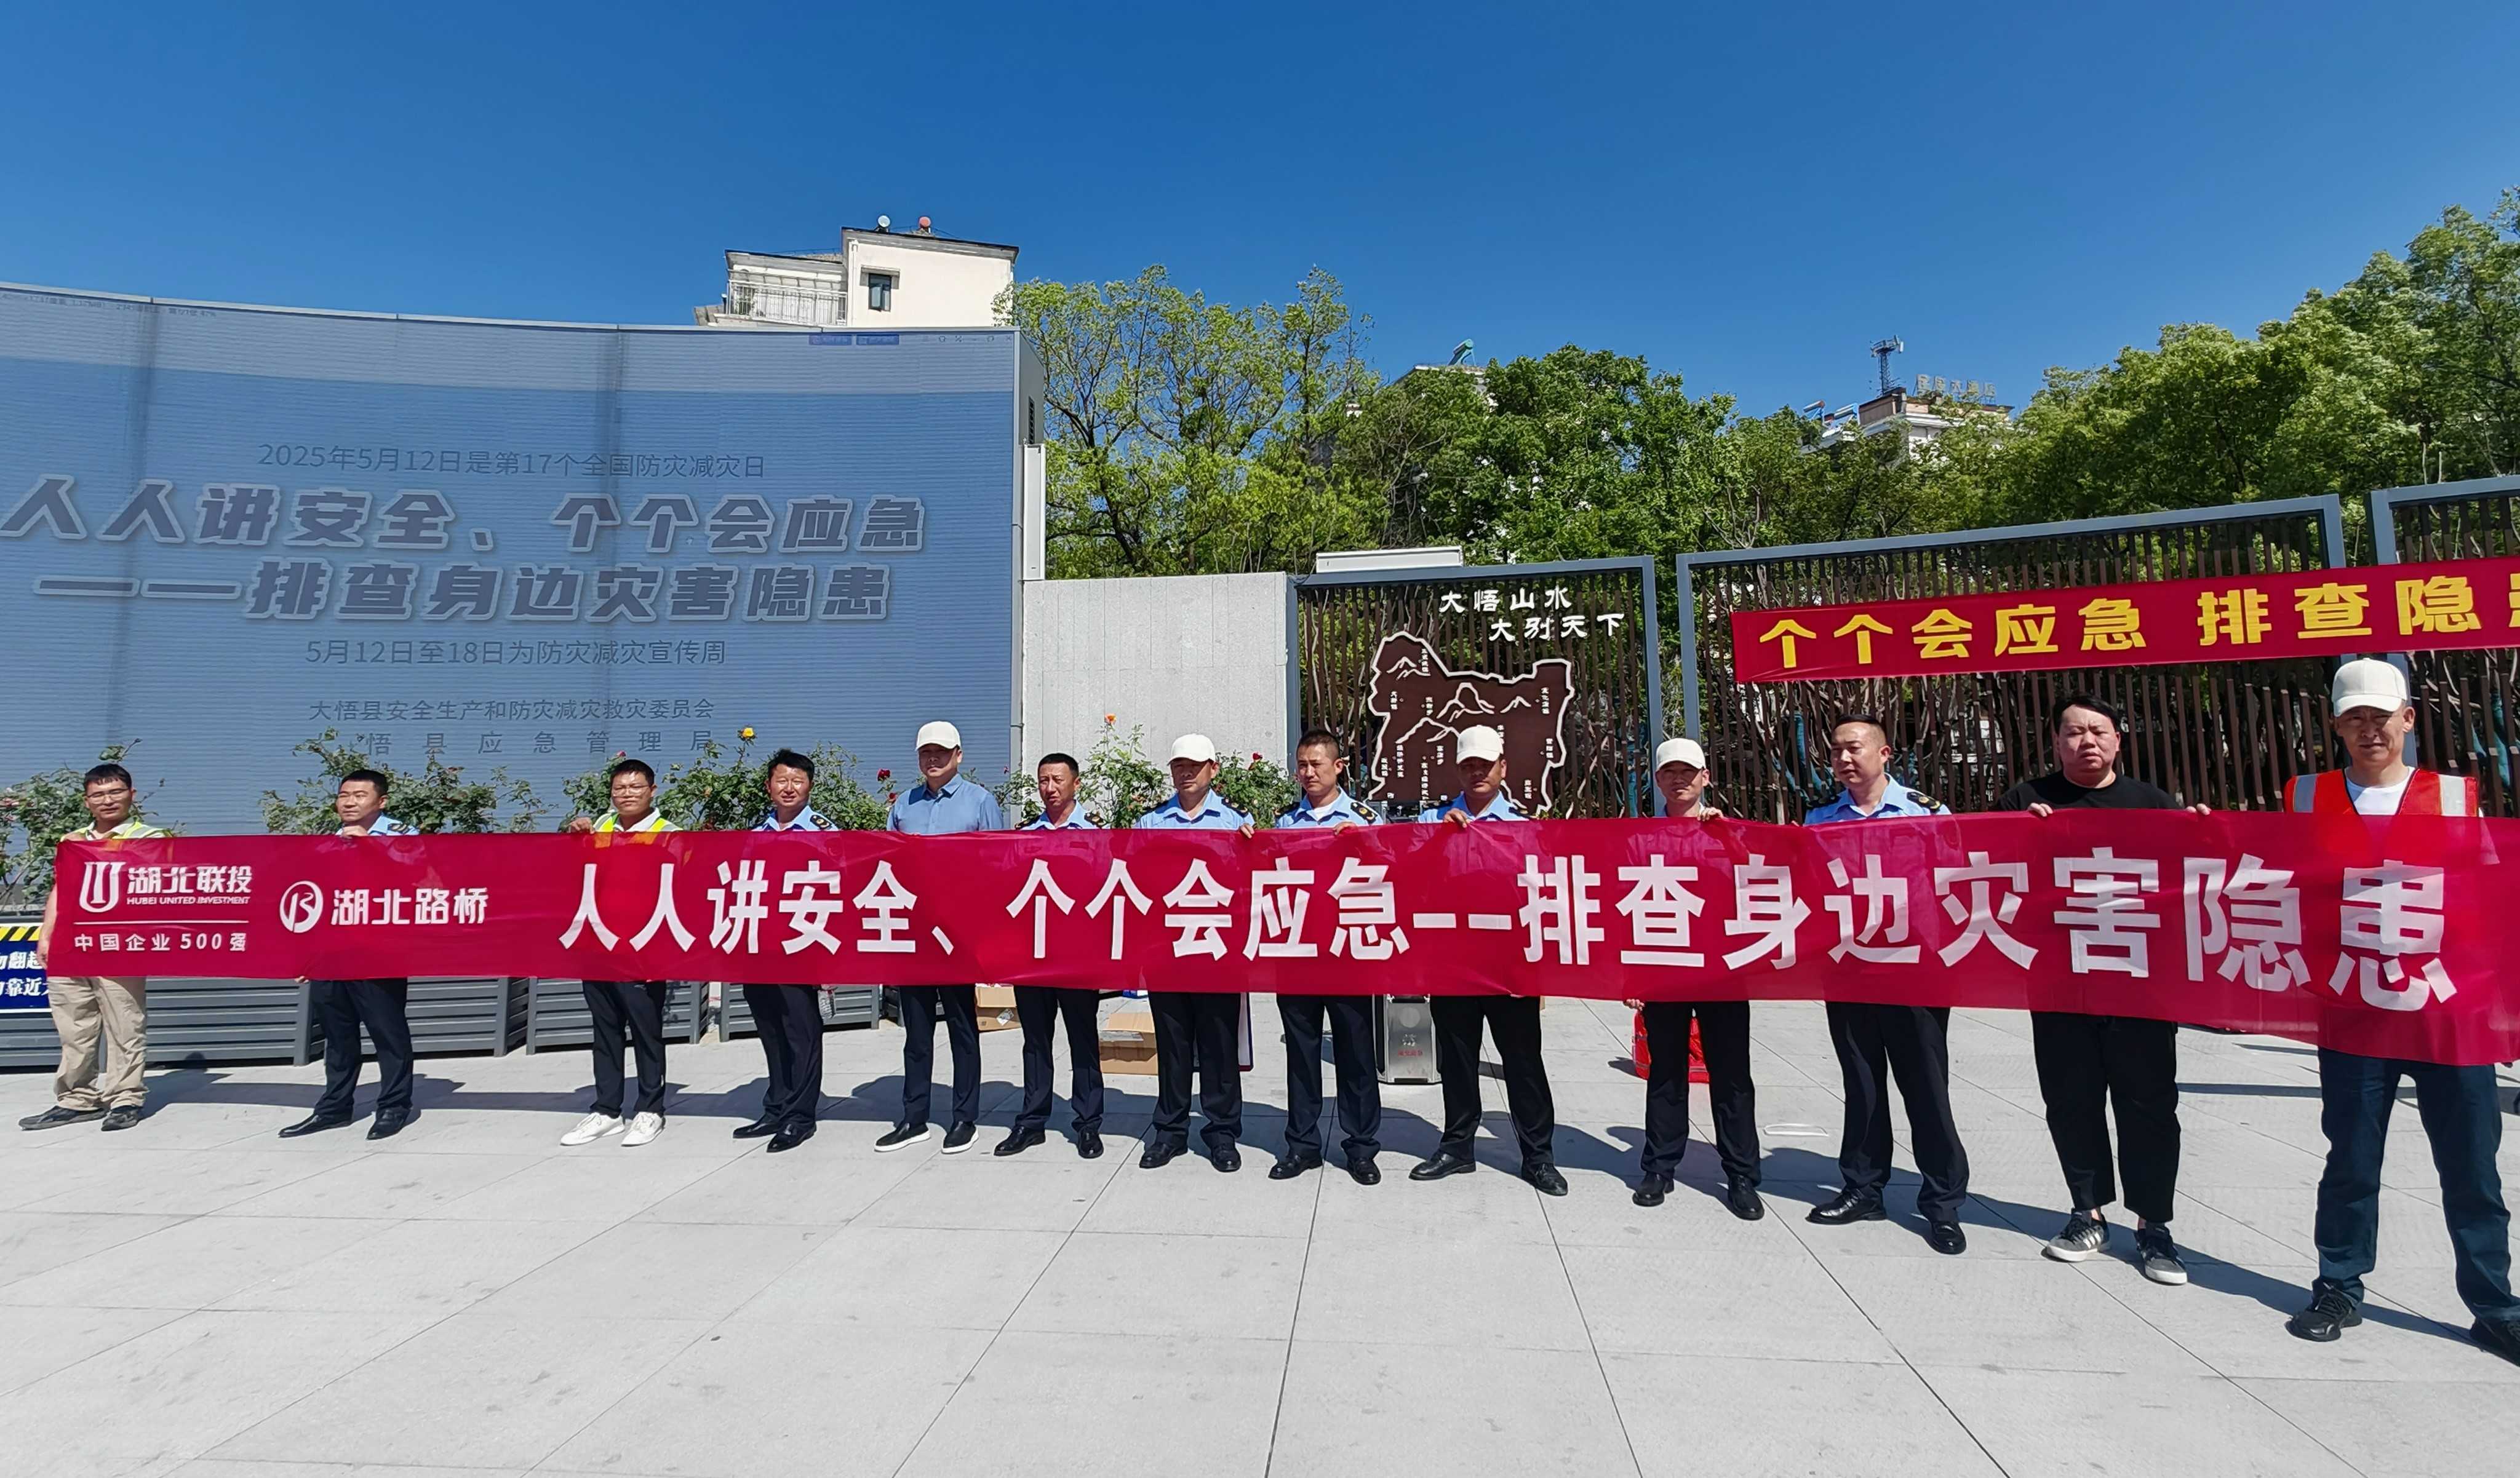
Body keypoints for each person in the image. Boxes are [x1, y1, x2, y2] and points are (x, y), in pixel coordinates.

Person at [2280, 658, 2519, 1365]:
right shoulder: (2305, 796)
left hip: (2448, 1011)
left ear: (2408, 720)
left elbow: (2488, 900)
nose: (2369, 731)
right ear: (2335, 725)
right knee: (2351, 1159)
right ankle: (2338, 1285)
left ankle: (2494, 1305)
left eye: (2380, 717)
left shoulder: (2452, 797)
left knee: (2471, 1166)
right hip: (2355, 1008)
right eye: (2354, 718)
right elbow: (2276, 886)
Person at [1999, 693, 2204, 1286]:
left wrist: (2205, 830)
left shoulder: (2153, 804)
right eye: (2073, 732)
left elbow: (2193, 879)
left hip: (2139, 983)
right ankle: (2086, 1212)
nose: (2086, 740)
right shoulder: (2025, 800)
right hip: (2060, 981)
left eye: (2098, 730)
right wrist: (2019, 835)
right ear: (2055, 743)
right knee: (2071, 1099)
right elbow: (1988, 870)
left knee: (2149, 1105)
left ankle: (2153, 1225)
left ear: (2118, 740)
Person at [1803, 713, 1971, 1254]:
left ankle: (1942, 1203)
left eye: (1854, 748)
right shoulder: (1820, 818)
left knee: (1926, 1087)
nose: (1844, 758)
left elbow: (1959, 883)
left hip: (1914, 972)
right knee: (1862, 1084)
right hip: (1850, 970)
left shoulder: (1926, 813)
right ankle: (1863, 1187)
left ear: (1885, 754)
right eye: (1836, 750)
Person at [1411, 725, 1565, 1196]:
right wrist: (1439, 839)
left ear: (1503, 767)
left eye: (1485, 763)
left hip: (1508, 966)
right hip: (1453, 963)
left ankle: (1538, 1156)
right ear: (1458, 769)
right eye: (1469, 764)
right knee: (1457, 1059)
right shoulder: (1433, 819)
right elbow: (1408, 875)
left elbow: (1544, 891)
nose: (1477, 771)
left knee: (1523, 1061)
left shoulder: (1524, 826)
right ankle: (1457, 1146)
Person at [1625, 737, 1762, 1218]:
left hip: (1724, 971)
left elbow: (1758, 882)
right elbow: (1627, 907)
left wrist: (1728, 837)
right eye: (1670, 772)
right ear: (1657, 780)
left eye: (1688, 771)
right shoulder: (1641, 838)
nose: (1679, 779)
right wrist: (1632, 977)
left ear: (1705, 776)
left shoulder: (1727, 829)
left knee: (1731, 1073)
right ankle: (1659, 1166)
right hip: (1665, 967)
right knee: (1666, 1070)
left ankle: (1741, 1174)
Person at [1259, 728, 1384, 1186]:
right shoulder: (1285, 824)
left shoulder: (1366, 819)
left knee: (1355, 1053)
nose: (1309, 773)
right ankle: (1302, 1144)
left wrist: (1365, 843)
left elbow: (1393, 871)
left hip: (1349, 953)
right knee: (1301, 1053)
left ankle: (1361, 1147)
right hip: (1298, 954)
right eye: (1302, 765)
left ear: (1339, 766)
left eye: (1317, 764)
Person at [20, 763, 166, 1134]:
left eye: (115, 792)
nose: (108, 800)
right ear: (87, 801)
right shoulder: (72, 841)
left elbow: (161, 890)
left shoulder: (151, 838)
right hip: (73, 945)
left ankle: (125, 1098)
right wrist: (47, 935)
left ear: (131, 795)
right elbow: (61, 889)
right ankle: (76, 1100)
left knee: (124, 1024)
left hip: (120, 946)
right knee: (74, 1027)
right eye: (98, 795)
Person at [879, 720, 1003, 1154]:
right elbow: (888, 865)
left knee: (962, 1029)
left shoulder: (980, 801)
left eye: (942, 752)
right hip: (914, 936)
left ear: (958, 756)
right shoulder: (904, 805)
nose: (933, 760)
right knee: (916, 1032)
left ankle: (964, 1117)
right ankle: (914, 1117)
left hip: (958, 935)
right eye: (926, 753)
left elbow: (996, 866)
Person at [279, 770, 420, 1140]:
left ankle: (393, 1106)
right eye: (344, 795)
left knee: (387, 1032)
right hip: (332, 953)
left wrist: (369, 847)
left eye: (360, 795)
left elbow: (415, 880)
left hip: (379, 952)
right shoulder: (328, 842)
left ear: (381, 802)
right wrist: (307, 955)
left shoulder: (403, 836)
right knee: (338, 1037)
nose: (350, 802)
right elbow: (315, 900)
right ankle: (334, 1108)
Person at [1134, 734, 1250, 1172]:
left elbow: (1249, 885)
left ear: (1213, 769)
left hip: (1217, 950)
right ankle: (1170, 1131)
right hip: (1167, 950)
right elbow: (1137, 882)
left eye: (1195, 766)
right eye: (1179, 765)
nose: (1186, 773)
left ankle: (1222, 1132)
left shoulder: (1236, 821)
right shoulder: (1151, 822)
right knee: (1173, 1045)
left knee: (1219, 1045)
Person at [557, 759, 678, 1149]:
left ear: (652, 791)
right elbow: (574, 873)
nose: (627, 794)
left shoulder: (670, 834)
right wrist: (574, 837)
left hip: (644, 949)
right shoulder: (599, 829)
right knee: (605, 1032)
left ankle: (650, 1109)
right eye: (620, 788)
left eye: (636, 787)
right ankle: (607, 1110)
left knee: (646, 1033)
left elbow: (683, 890)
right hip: (599, 946)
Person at [999, 751, 1106, 1160]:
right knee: (1035, 1042)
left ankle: (1088, 1123)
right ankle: (1032, 1121)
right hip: (1034, 957)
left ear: (1076, 783)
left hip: (1078, 956)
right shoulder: (1025, 836)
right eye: (1044, 780)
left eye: (1058, 780)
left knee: (1083, 1040)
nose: (1050, 788)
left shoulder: (1096, 835)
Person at [739, 749, 829, 1154]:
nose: (789, 788)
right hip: (760, 946)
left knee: (801, 1032)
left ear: (809, 786)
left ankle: (800, 1116)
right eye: (782, 780)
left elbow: (838, 889)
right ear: (769, 786)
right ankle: (776, 1106)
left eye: (797, 780)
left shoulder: (823, 830)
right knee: (771, 1029)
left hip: (802, 945)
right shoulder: (756, 832)